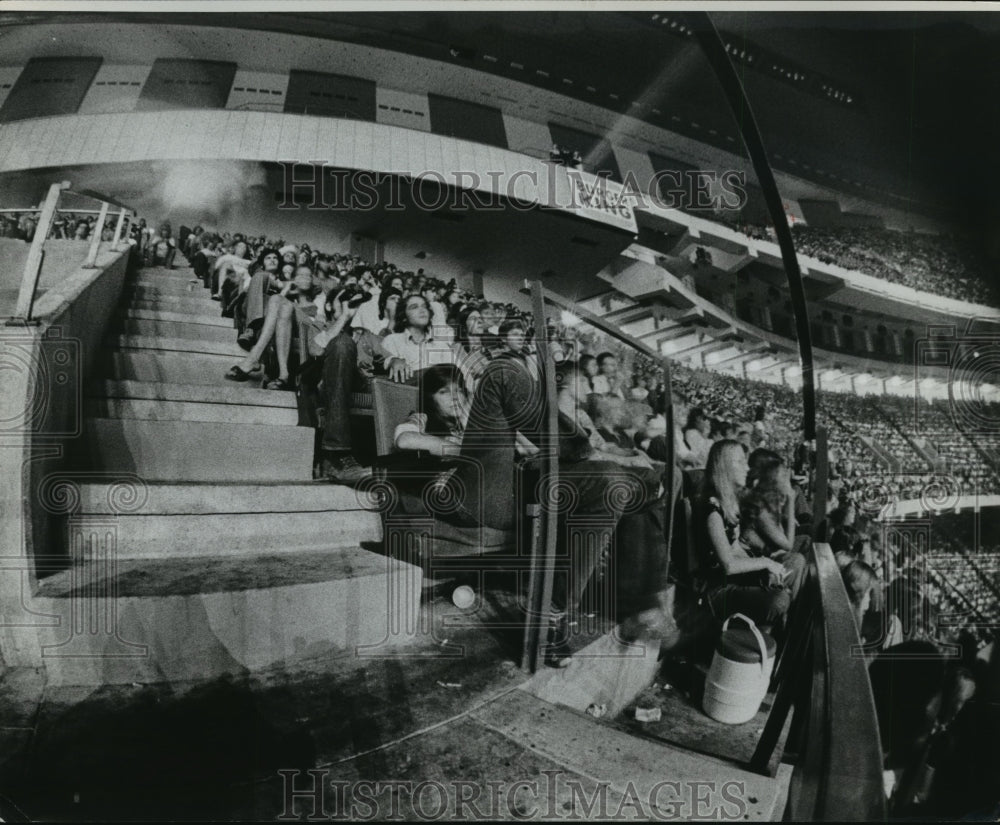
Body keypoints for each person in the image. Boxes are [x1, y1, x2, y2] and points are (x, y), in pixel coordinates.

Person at [696, 439, 796, 630]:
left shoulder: (729, 503)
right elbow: (728, 565)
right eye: (740, 462)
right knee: (779, 599)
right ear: (725, 466)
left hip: (732, 582)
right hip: (717, 591)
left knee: (782, 581)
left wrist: (762, 569)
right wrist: (765, 563)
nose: (747, 468)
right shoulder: (712, 510)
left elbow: (734, 548)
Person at [381, 294, 456, 383]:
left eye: (424, 306)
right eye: (414, 307)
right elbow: (383, 361)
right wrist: (393, 360)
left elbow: (458, 372)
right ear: (404, 317)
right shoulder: (392, 340)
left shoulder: (440, 344)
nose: (422, 310)